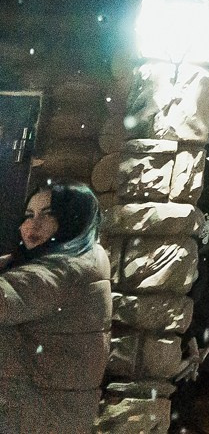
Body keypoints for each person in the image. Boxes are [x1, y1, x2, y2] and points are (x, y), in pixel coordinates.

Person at [0, 181, 113, 433]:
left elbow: (15, 293)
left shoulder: (63, 272)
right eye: (29, 215)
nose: (33, 224)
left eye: (48, 214)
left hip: (33, 414)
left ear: (73, 219)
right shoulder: (86, 259)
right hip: (51, 411)